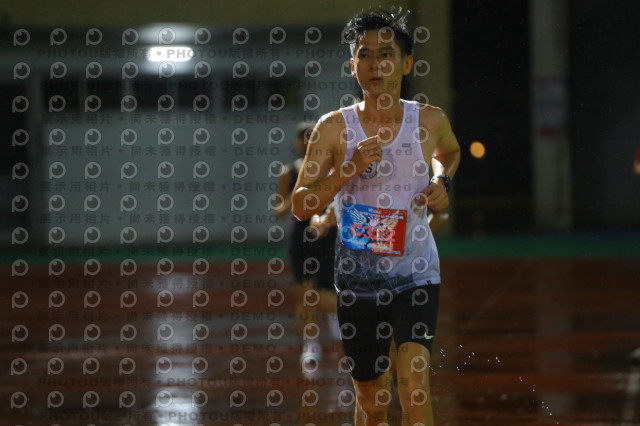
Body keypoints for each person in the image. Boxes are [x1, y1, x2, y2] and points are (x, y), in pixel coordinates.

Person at [291, 7, 461, 425]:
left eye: (386, 54)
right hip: (357, 283)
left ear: (406, 64)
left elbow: (450, 152)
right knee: (370, 399)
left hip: (416, 274)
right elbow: (300, 205)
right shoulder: (333, 128)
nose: (375, 64)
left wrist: (441, 180)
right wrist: (348, 169)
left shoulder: (430, 121)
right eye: (364, 55)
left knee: (414, 386)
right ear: (353, 66)